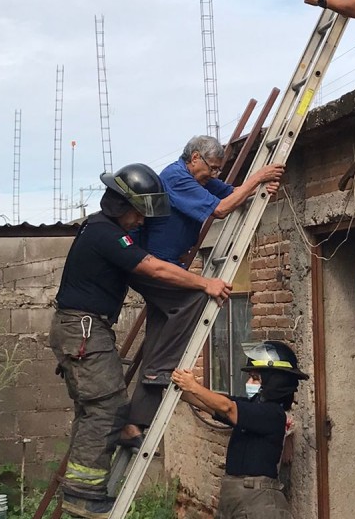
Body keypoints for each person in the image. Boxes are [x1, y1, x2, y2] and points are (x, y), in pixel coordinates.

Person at [49, 162, 232, 519]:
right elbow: (153, 268)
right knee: (104, 409)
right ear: (121, 206)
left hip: (84, 329)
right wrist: (204, 283)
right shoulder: (106, 234)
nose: (142, 222)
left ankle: (118, 442)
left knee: (99, 408)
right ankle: (83, 496)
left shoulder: (101, 229)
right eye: (138, 214)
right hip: (83, 330)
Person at [125, 135, 284, 434]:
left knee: (159, 340)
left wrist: (258, 191)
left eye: (217, 171)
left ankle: (136, 422)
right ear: (194, 158)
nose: (214, 175)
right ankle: (159, 370)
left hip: (171, 266)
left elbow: (233, 194)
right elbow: (222, 209)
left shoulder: (200, 180)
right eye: (211, 168)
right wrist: (259, 177)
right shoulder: (177, 176)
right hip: (154, 267)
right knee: (199, 296)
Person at [171, 341, 309, 519]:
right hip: (236, 495)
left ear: (274, 381)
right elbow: (213, 406)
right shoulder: (252, 406)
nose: (249, 382)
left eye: (255, 378)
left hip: (258, 500)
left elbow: (227, 407)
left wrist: (194, 386)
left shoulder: (272, 414)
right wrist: (177, 386)